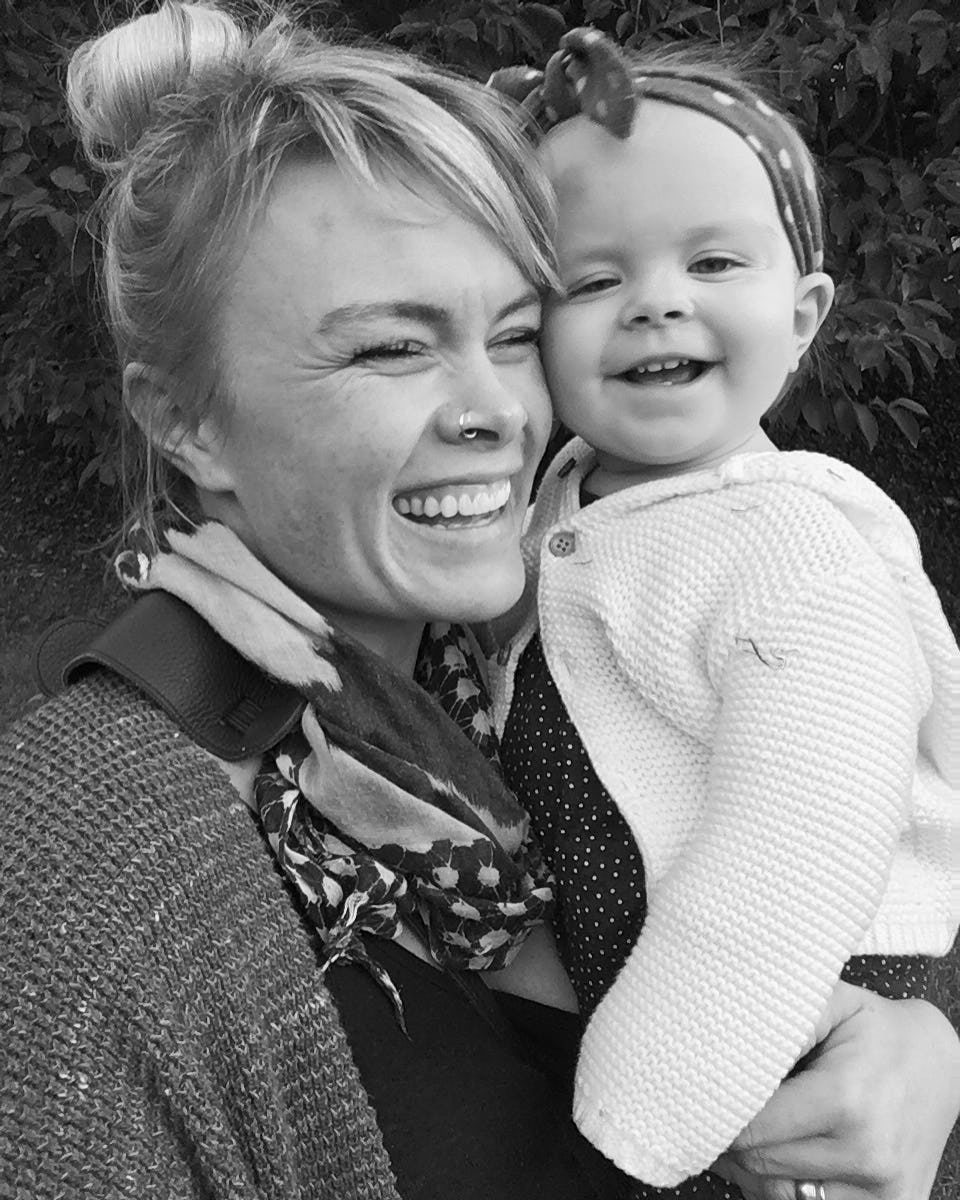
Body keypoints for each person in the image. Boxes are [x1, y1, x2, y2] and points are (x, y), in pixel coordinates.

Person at [0, 7, 957, 1200]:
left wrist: (909, 1042)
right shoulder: (93, 860)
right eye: (393, 350)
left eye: (514, 333)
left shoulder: (512, 683)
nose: (496, 411)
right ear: (186, 421)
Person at [488, 30, 960, 1197]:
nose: (654, 305)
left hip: (779, 1021)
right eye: (593, 280)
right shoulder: (568, 492)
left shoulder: (792, 552)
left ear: (803, 317)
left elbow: (793, 846)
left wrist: (630, 1123)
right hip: (633, 999)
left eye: (711, 264)